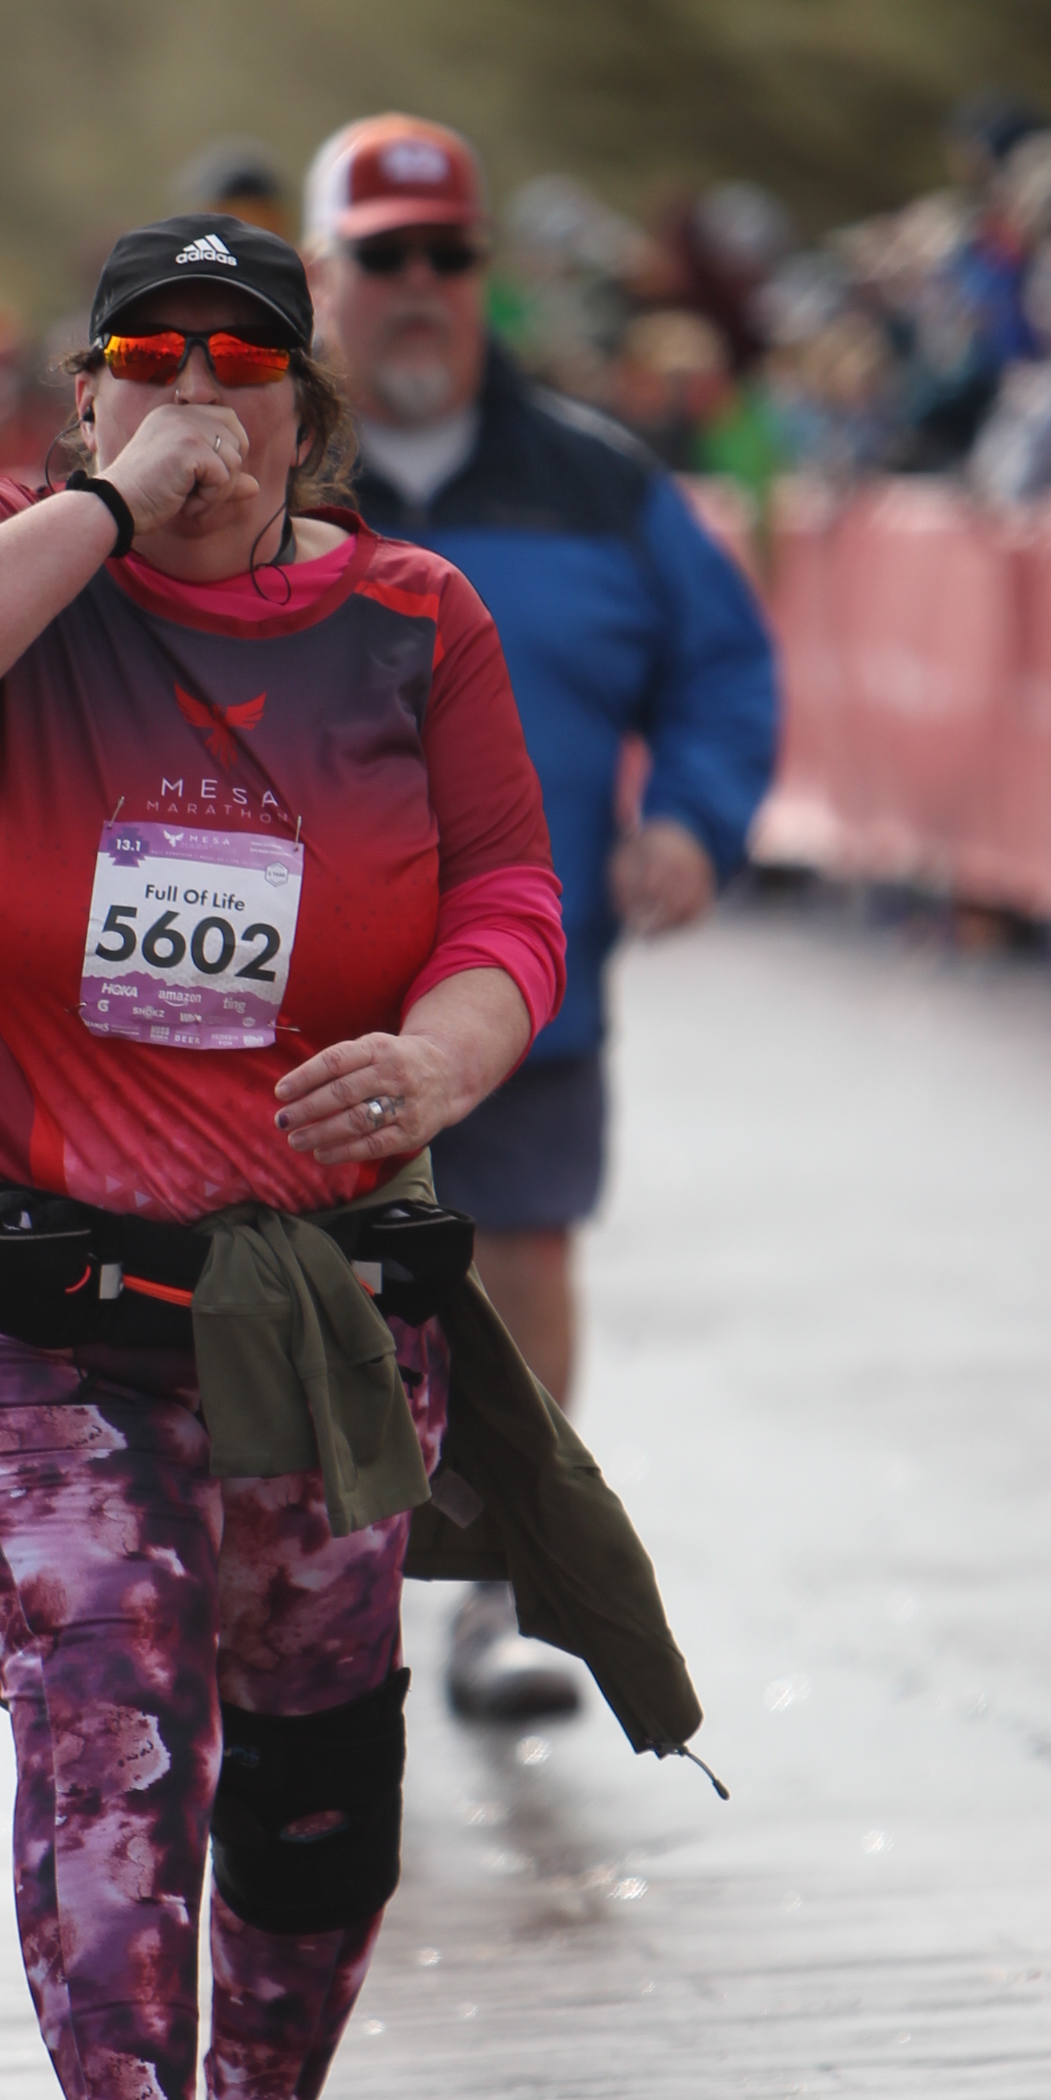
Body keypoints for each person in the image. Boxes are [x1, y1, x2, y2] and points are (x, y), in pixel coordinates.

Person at [0, 212, 701, 2100]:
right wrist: (105, 516)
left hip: (299, 1265)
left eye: (239, 363)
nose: (195, 390)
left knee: (310, 1738)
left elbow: (505, 889)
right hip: (12, 1259)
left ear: (305, 412)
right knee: (106, 1686)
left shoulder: (407, 618)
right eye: (148, 355)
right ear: (86, 390)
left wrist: (447, 1058)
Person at [305, 116, 780, 1722]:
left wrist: (694, 820)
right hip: (294, 994)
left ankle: (497, 1591)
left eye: (449, 254)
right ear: (325, 273)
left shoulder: (597, 478)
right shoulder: (262, 474)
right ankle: (317, 1597)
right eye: (386, 256)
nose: (421, 285)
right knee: (300, 1290)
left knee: (520, 1261)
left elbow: (723, 666)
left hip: (526, 977)